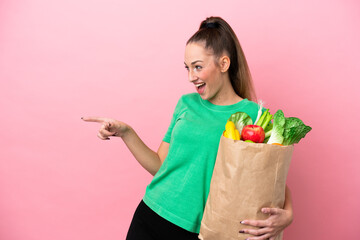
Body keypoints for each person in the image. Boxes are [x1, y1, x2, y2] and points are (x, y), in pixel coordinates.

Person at [82, 16, 293, 240]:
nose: (191, 77)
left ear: (223, 64)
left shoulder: (253, 115)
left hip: (201, 231)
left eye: (198, 67)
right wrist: (126, 132)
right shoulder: (185, 104)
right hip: (151, 215)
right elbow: (161, 166)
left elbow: (268, 177)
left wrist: (288, 215)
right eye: (188, 68)